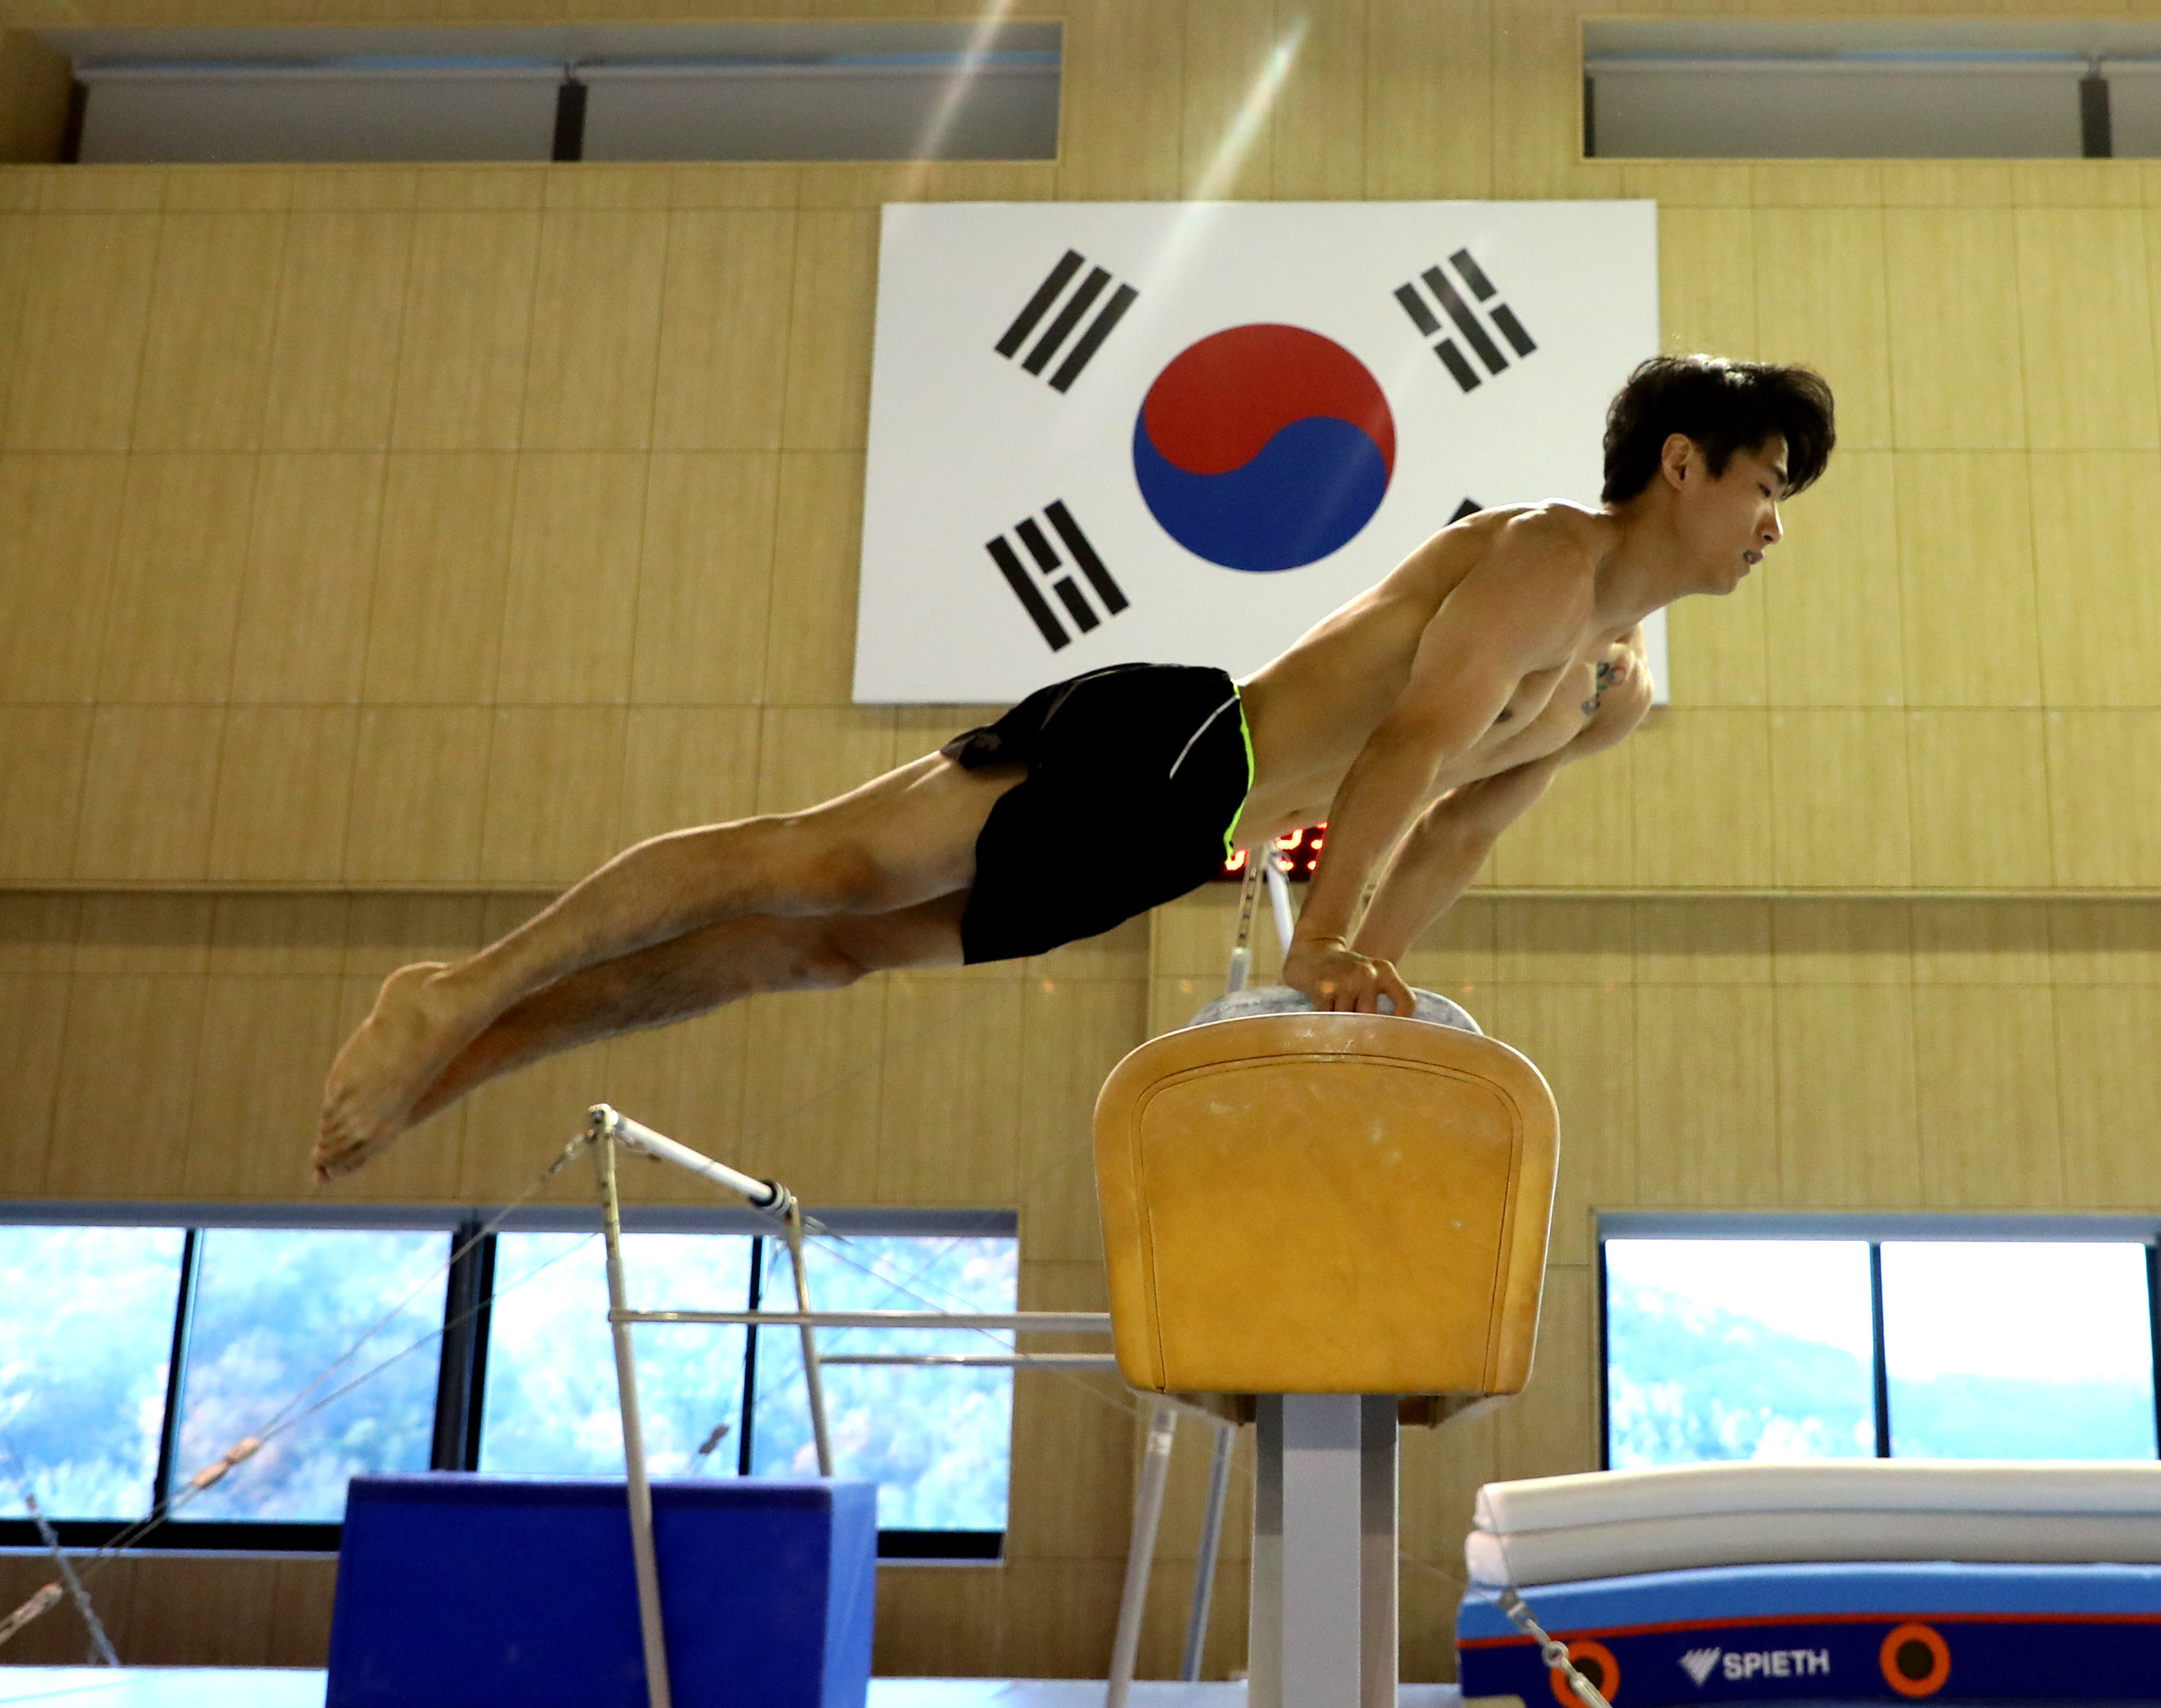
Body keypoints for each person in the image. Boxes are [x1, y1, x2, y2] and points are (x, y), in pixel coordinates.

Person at [311, 354, 1835, 1180]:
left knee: (819, 954)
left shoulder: (1610, 691)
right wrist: (1325, 950)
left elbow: (1449, 839)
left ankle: (476, 1053)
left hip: (1179, 846)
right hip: (1180, 745)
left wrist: (1359, 990)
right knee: (818, 862)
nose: (1774, 524)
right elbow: (1411, 748)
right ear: (1680, 465)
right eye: (1764, 485)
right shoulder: (1543, 558)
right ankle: (458, 986)